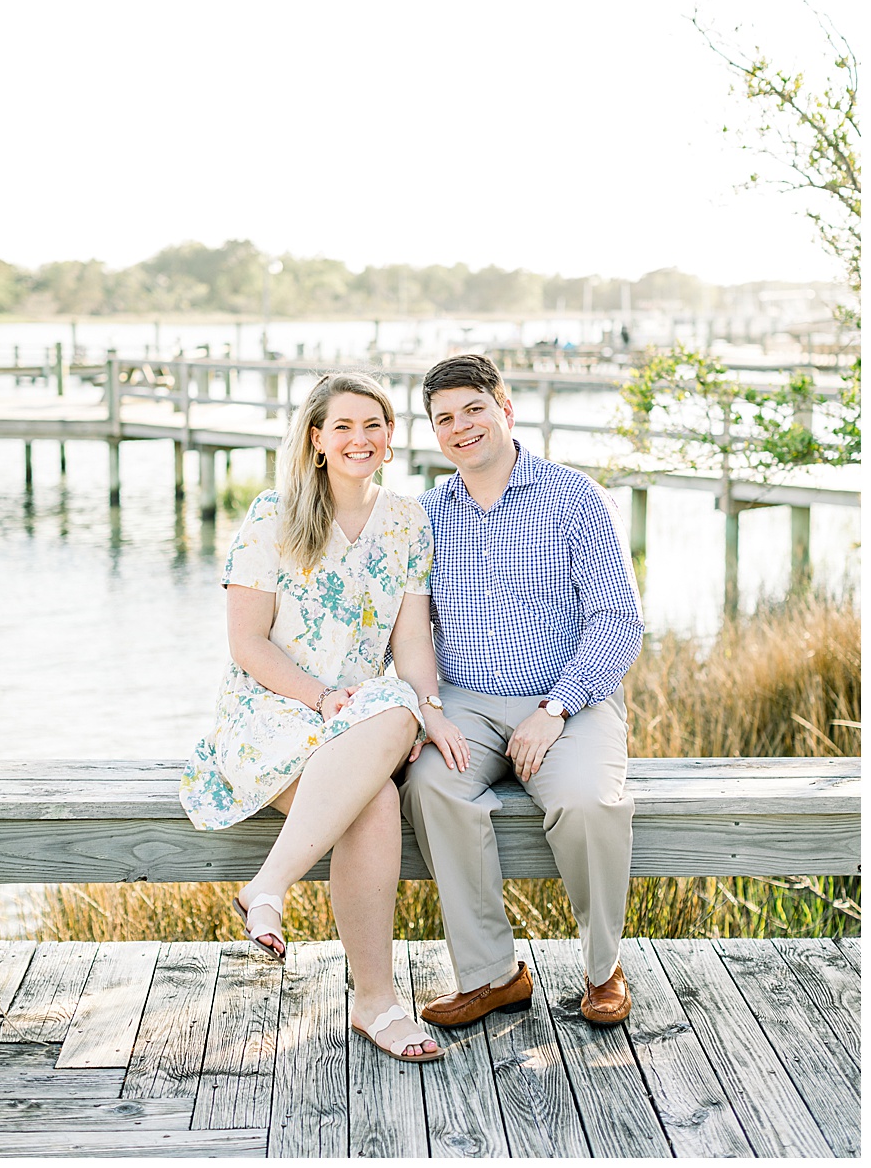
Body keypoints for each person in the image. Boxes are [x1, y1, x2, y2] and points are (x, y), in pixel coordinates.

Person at [180, 372, 472, 1063]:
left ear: (391, 438)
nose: (359, 439)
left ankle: (268, 889)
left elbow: (410, 643)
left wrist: (434, 713)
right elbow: (246, 644)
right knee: (373, 806)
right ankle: (376, 1002)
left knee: (401, 707)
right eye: (342, 427)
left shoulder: (408, 521)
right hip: (272, 713)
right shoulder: (270, 516)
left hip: (361, 722)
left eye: (373, 425)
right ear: (315, 441)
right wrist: (319, 696)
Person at [401, 354, 643, 1027]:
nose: (461, 426)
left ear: (505, 410)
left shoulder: (575, 497)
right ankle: (492, 976)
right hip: (466, 705)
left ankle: (602, 970)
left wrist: (555, 709)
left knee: (588, 803)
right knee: (430, 786)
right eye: (444, 419)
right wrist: (425, 710)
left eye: (473, 409)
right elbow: (410, 632)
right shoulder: (423, 516)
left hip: (569, 700)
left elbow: (618, 623)